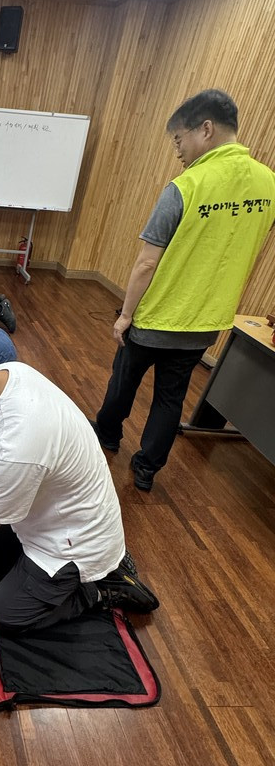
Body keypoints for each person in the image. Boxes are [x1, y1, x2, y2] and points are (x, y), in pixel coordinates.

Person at [0, 340, 159, 635]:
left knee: (4, 616)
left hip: (76, 543)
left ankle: (102, 590)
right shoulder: (6, 375)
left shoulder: (16, 442)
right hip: (57, 509)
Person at [92, 89, 275, 491]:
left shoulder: (185, 186)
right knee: (170, 398)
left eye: (178, 139)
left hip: (156, 316)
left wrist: (125, 315)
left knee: (123, 382)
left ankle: (106, 436)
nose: (177, 149)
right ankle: (146, 470)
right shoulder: (269, 185)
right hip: (206, 322)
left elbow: (146, 262)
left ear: (205, 129)